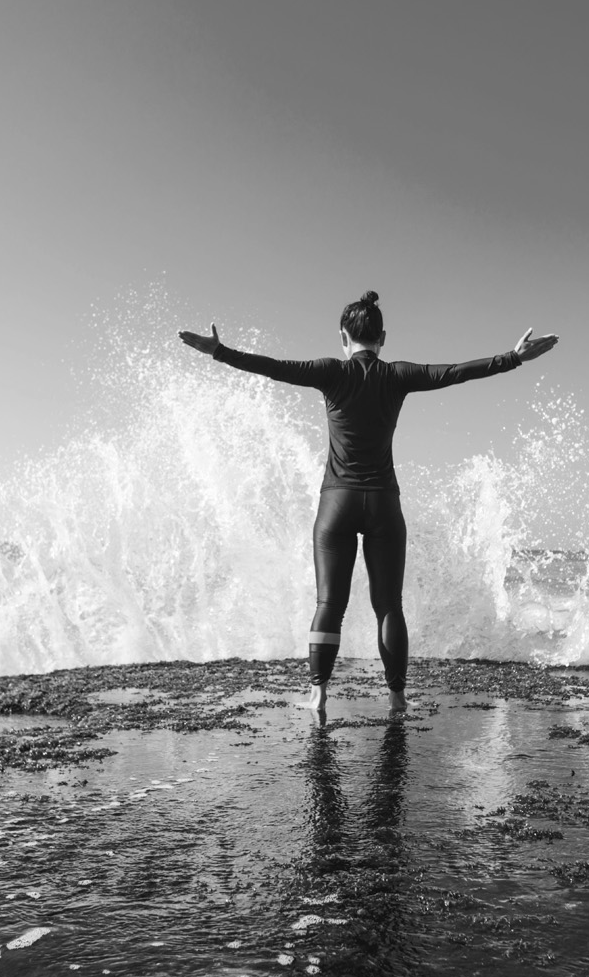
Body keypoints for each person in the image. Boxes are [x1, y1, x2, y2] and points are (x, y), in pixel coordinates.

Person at [178, 291, 558, 714]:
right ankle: (397, 695)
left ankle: (318, 694)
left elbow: (273, 368)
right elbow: (454, 372)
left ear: (344, 337)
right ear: (383, 337)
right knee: (389, 606)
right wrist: (513, 357)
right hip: (383, 504)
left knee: (329, 605)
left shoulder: (330, 372)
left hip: (336, 503)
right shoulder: (397, 375)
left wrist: (221, 352)